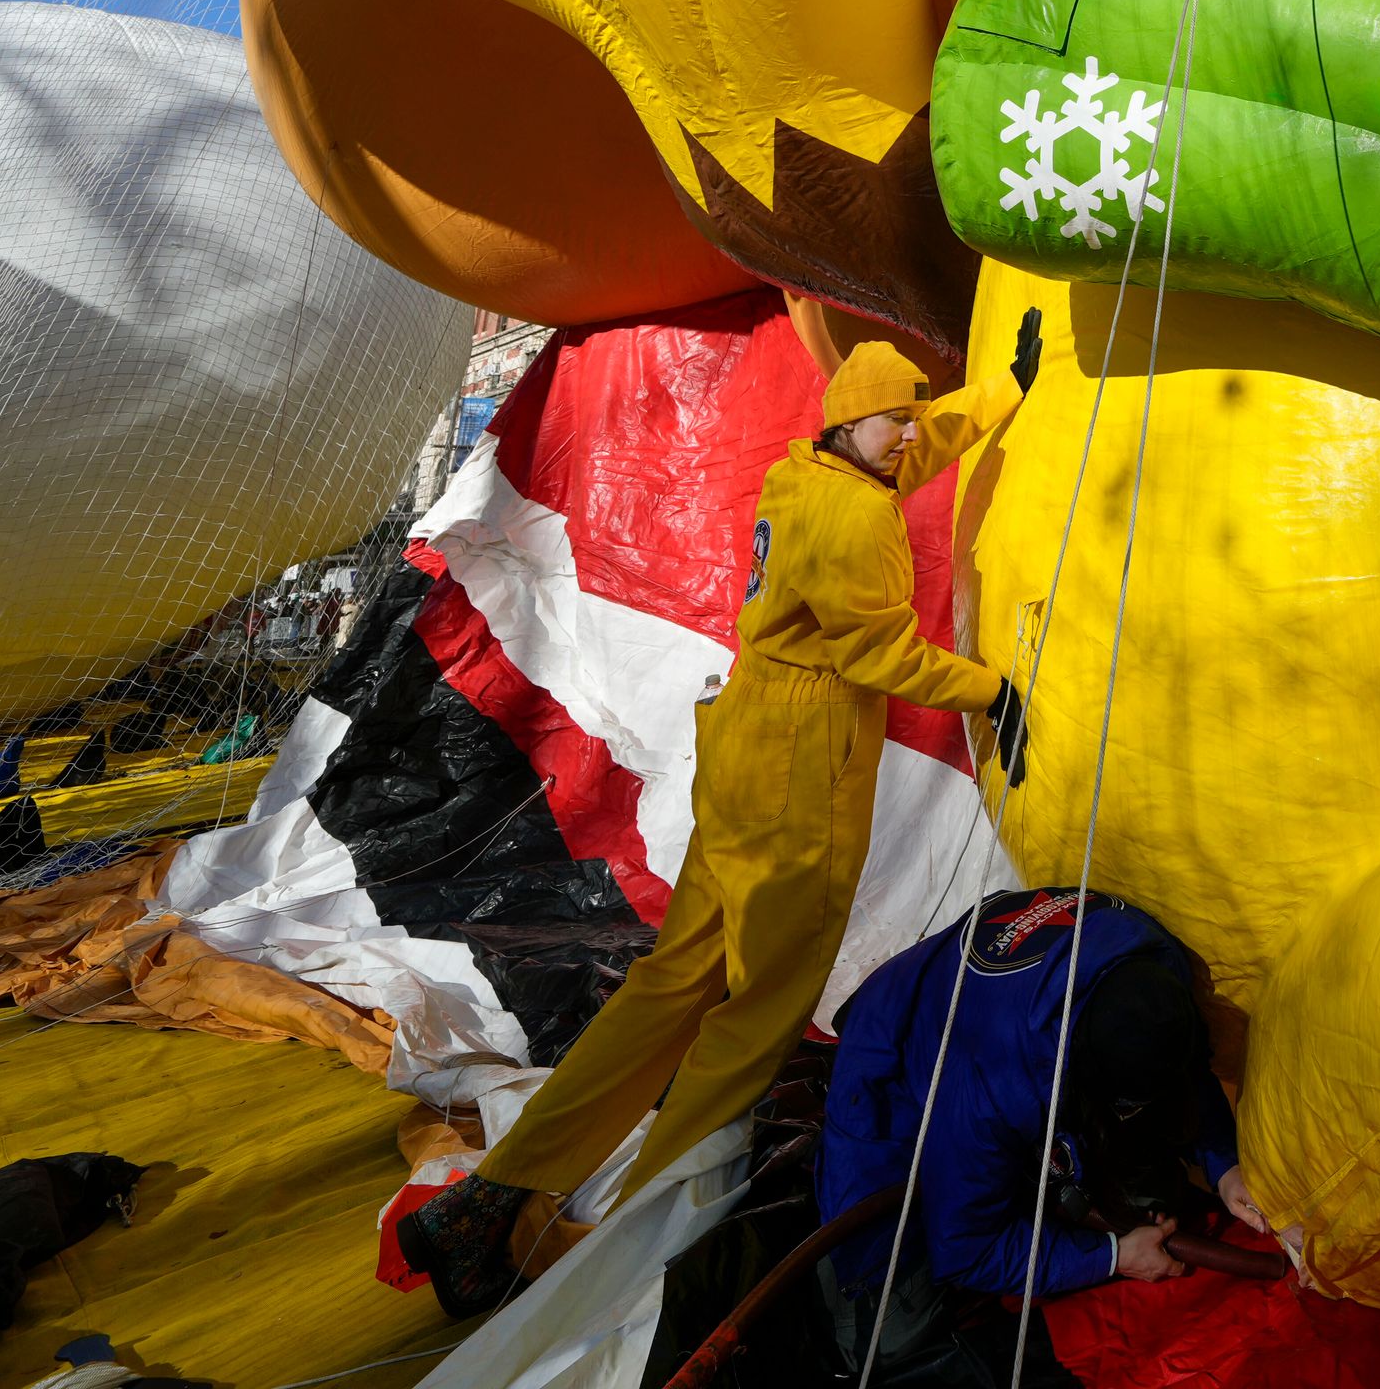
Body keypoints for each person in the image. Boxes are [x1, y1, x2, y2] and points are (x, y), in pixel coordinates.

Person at [395, 343, 1027, 1314]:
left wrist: (995, 396)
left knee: (675, 978)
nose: (908, 435)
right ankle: (648, 1234)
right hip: (802, 775)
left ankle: (494, 1195)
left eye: (911, 418)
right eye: (894, 420)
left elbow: (911, 437)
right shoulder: (854, 514)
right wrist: (992, 689)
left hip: (743, 755)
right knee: (761, 1010)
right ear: (852, 424)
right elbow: (879, 652)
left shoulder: (809, 466)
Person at [816, 885, 1259, 1387]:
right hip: (892, 1069)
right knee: (893, 1336)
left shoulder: (1154, 960)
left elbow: (1182, 1068)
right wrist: (1114, 1258)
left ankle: (1028, 1197)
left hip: (1002, 1031)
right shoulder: (990, 1083)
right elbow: (966, 1249)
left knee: (1146, 1191)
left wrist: (1225, 1166)